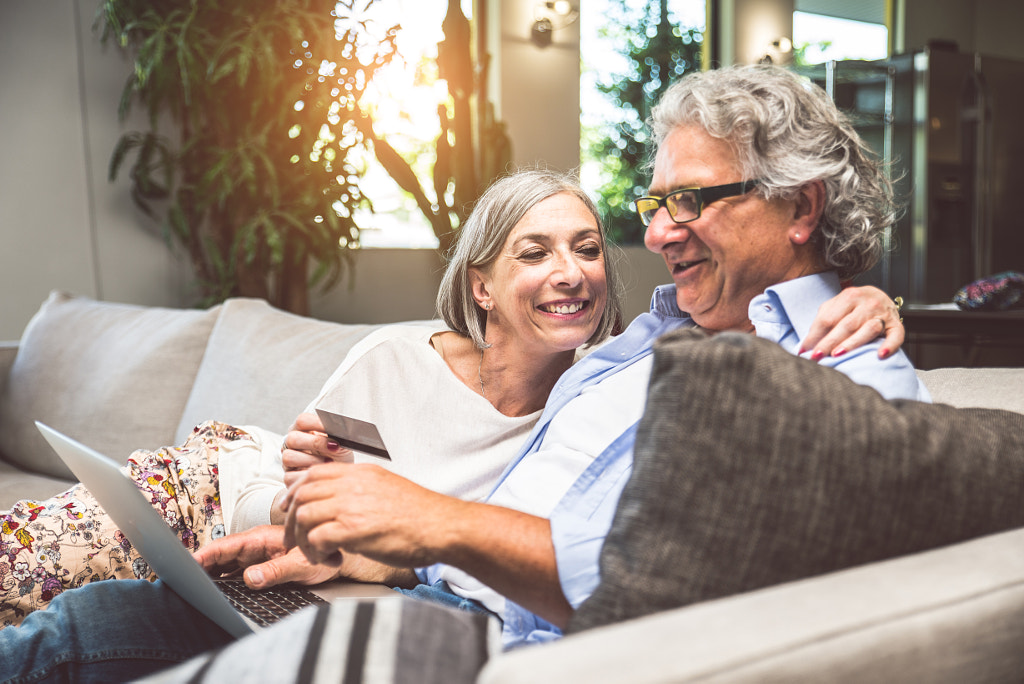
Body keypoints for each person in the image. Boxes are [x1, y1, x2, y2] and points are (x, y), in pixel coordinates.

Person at [0, 64, 918, 680]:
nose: (660, 231)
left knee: (99, 638)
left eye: (691, 201)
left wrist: (424, 524)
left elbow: (655, 572)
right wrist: (371, 551)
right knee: (101, 620)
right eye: (656, 201)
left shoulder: (836, 377)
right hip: (386, 577)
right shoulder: (649, 339)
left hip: (476, 640)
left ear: (800, 208)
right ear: (480, 285)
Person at [0, 168, 625, 625]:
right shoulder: (397, 363)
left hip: (289, 577)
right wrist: (304, 506)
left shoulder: (598, 407)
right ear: (481, 288)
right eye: (535, 252)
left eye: (587, 248)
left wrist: (352, 546)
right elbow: (272, 491)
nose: (570, 272)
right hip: (206, 493)